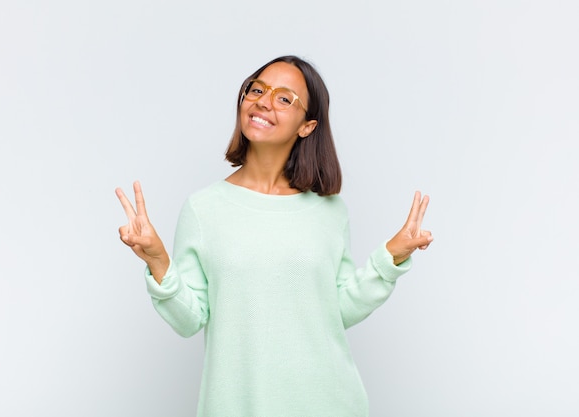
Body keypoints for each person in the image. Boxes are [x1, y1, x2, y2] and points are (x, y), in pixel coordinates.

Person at [116, 55, 433, 417]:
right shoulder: (203, 209)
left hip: (329, 403)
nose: (263, 101)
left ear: (307, 126)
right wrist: (158, 260)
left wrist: (391, 256)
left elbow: (338, 310)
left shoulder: (330, 212)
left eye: (284, 98)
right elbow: (189, 320)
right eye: (257, 89)